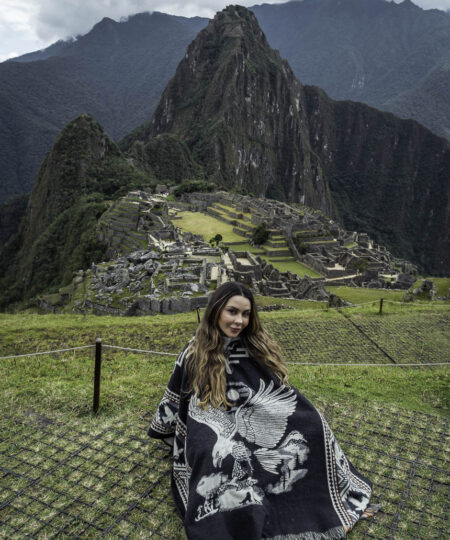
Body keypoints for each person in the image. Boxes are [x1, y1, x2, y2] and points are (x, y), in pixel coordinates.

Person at [149, 282, 377, 539]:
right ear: (216, 311)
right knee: (219, 458)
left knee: (314, 424)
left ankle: (309, 503)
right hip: (209, 413)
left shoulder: (254, 345)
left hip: (254, 412)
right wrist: (172, 428)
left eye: (245, 314)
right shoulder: (194, 352)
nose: (239, 321)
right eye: (232, 312)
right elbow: (180, 396)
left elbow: (273, 387)